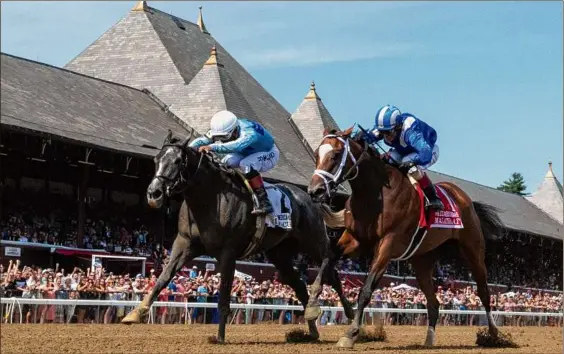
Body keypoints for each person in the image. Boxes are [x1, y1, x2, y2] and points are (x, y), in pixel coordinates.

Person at [189, 110, 279, 215]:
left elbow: (236, 145)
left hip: (268, 152)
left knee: (246, 164)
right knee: (224, 162)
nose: (222, 141)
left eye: (224, 138)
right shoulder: (226, 127)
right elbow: (202, 140)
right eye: (219, 138)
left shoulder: (249, 133)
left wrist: (212, 147)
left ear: (235, 130)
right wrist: (187, 149)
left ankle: (264, 202)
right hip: (246, 152)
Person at [365, 104, 444, 210]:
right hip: (404, 149)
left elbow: (426, 154)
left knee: (410, 167)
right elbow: (368, 138)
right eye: (382, 132)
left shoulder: (410, 130)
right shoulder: (385, 126)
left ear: (398, 126)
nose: (385, 136)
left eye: (388, 132)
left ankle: (433, 197)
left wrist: (412, 162)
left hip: (427, 150)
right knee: (387, 161)